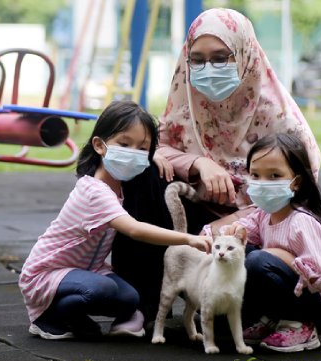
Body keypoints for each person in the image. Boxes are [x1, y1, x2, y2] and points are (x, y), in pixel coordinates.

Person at [112, 7, 321, 321]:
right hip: (198, 215)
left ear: (245, 53)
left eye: (221, 57)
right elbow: (158, 144)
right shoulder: (188, 97)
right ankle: (143, 304)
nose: (207, 68)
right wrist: (198, 163)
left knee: (245, 289)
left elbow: (302, 196)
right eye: (197, 59)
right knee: (142, 172)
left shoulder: (279, 119)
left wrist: (237, 220)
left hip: (254, 229)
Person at [18, 100, 212, 340]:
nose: (133, 153)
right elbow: (135, 230)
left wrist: (153, 157)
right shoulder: (94, 191)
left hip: (87, 270)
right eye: (124, 144)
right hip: (46, 273)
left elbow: (145, 160)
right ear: (99, 145)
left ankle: (73, 316)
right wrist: (188, 239)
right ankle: (48, 319)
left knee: (130, 297)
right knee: (103, 289)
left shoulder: (118, 187)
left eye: (142, 149)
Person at [207, 133, 321, 353]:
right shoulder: (264, 214)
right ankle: (273, 318)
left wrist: (276, 253)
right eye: (256, 175)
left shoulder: (302, 222)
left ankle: (301, 325)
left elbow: (319, 278)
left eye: (274, 176)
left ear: (296, 183)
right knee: (239, 255)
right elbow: (240, 232)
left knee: (256, 260)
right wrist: (222, 234)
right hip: (296, 290)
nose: (262, 184)